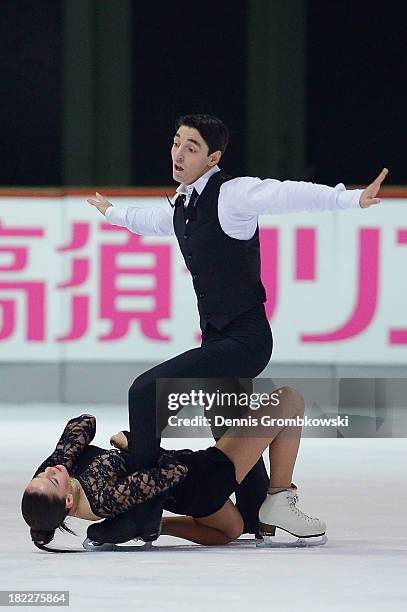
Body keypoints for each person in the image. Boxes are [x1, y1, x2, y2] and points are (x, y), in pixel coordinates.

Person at [86, 113, 388, 545]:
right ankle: (259, 513)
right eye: (176, 142)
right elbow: (152, 221)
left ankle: (142, 514)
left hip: (245, 340)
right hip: (218, 340)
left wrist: (349, 199)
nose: (179, 152)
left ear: (213, 158)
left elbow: (286, 195)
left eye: (192, 147)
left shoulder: (233, 195)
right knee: (231, 434)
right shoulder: (182, 207)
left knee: (144, 390)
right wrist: (113, 213)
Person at [22, 386, 326, 552]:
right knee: (289, 401)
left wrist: (61, 459)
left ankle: (159, 526)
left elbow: (84, 422)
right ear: (68, 502)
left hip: (188, 498)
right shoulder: (104, 496)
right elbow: (172, 472)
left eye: (40, 473)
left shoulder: (67, 479)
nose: (51, 470)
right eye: (51, 480)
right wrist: (133, 445)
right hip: (204, 476)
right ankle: (279, 497)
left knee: (230, 531)